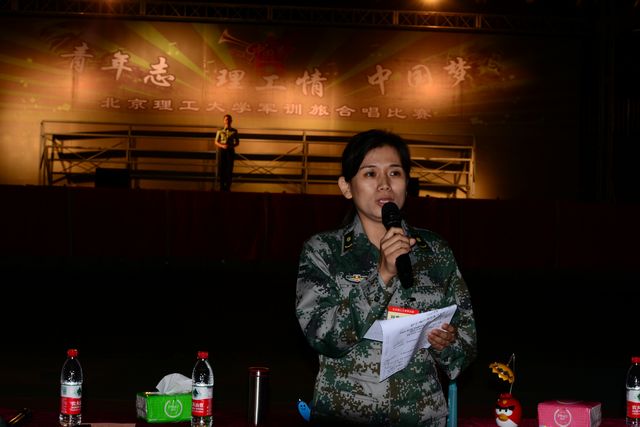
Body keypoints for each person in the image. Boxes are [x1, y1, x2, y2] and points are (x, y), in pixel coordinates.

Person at [295, 129, 477, 426]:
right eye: (370, 173)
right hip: (346, 416)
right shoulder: (324, 251)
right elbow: (322, 336)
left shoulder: (435, 251)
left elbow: (466, 345)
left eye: (395, 173)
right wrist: (382, 276)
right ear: (346, 187)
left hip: (421, 417)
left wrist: (447, 343)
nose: (384, 184)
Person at [214, 113, 240, 191]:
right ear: (224, 121)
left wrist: (231, 146)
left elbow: (237, 142)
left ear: (231, 121)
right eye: (226, 119)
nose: (227, 121)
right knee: (222, 168)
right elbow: (216, 141)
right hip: (222, 150)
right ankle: (222, 186)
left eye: (229, 119)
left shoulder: (234, 131)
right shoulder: (219, 130)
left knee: (229, 168)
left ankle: (228, 186)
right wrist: (222, 146)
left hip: (230, 151)